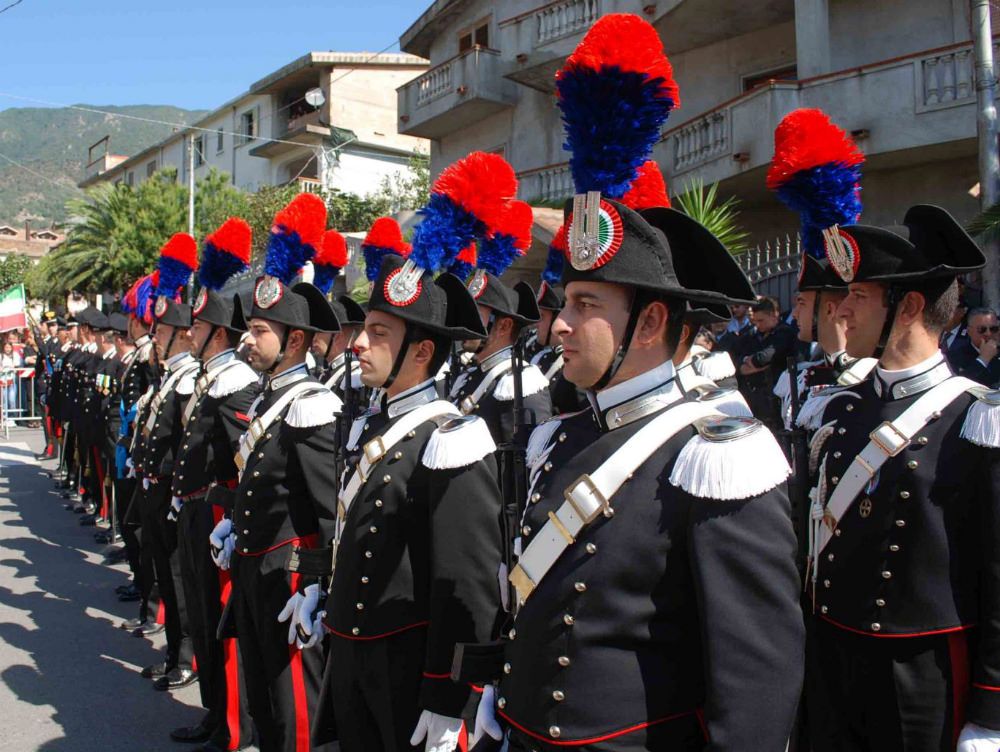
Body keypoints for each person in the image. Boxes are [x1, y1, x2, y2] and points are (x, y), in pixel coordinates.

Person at [495, 15, 803, 751]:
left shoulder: (718, 455)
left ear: (653, 321)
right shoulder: (562, 435)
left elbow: (755, 684)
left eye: (585, 305)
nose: (559, 325)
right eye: (564, 304)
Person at [302, 152, 507, 752]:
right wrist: (322, 588)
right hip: (354, 650)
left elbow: (465, 585)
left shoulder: (451, 437)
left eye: (379, 334)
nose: (360, 343)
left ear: (421, 352)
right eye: (365, 329)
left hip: (406, 667)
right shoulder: (374, 421)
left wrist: (448, 693)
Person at [804, 205, 1000, 752]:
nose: (841, 310)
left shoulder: (977, 419)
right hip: (834, 660)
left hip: (924, 677)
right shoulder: (841, 409)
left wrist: (991, 710)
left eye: (859, 296)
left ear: (909, 306)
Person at [210, 194, 341, 752]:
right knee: (264, 699)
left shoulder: (310, 405)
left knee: (294, 713)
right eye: (248, 329)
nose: (246, 339)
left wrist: (315, 583)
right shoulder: (269, 401)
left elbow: (328, 510)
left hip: (286, 579)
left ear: (295, 341)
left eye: (259, 331)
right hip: (253, 568)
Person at [168, 218, 259, 752]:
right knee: (201, 616)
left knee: (218, 623)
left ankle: (231, 723)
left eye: (197, 328)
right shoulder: (213, 376)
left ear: (218, 333)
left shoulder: (234, 383)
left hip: (217, 515)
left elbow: (244, 461)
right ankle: (212, 712)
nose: (189, 333)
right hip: (196, 510)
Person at [132, 234, 201, 692]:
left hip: (172, 492)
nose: (154, 340)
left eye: (160, 334)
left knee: (178, 581)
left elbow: (186, 441)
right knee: (163, 570)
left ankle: (185, 656)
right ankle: (173, 650)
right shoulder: (166, 377)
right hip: (154, 487)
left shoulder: (186, 379)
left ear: (180, 335)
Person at [736, 295, 797, 429]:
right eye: (755, 321)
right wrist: (747, 361)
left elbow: (763, 359)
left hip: (776, 399)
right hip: (756, 398)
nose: (758, 325)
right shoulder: (754, 335)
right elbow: (738, 360)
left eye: (761, 320)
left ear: (774, 315)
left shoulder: (784, 333)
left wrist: (752, 363)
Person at [948, 307, 1000, 386]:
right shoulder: (955, 356)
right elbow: (959, 386)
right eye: (982, 329)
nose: (988, 334)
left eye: (993, 329)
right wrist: (983, 359)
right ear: (969, 331)